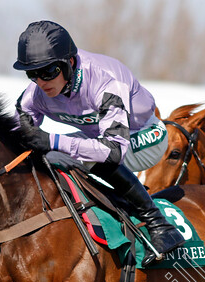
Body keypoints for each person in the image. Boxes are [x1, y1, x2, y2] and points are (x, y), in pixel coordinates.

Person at [12, 20, 185, 266]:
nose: (40, 81)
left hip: (145, 138)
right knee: (49, 156)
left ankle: (159, 225)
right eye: (33, 74)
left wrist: (51, 139)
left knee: (71, 150)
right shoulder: (35, 93)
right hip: (103, 139)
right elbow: (18, 131)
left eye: (48, 72)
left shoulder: (106, 81)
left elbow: (113, 151)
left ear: (69, 63)